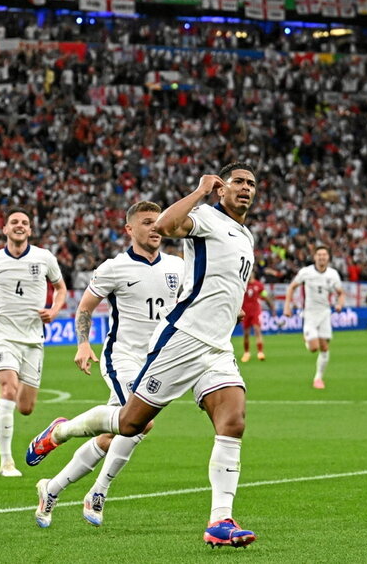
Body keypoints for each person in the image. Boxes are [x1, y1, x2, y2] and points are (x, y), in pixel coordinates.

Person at [26, 162, 259, 548]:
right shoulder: (204, 217)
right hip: (180, 340)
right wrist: (200, 191)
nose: (246, 188)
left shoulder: (243, 234)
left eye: (251, 184)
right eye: (238, 182)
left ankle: (220, 521)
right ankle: (61, 431)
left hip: (217, 346)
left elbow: (204, 280)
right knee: (132, 423)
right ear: (222, 188)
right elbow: (168, 226)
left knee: (233, 421)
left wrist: (226, 307)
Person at [34, 201, 184, 528]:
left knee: (113, 435)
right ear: (130, 229)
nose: (155, 227)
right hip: (122, 358)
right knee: (141, 422)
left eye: (158, 222)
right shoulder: (113, 268)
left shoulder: (176, 266)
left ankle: (52, 488)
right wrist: (83, 343)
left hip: (158, 362)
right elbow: (85, 308)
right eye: (146, 222)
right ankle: (98, 491)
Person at [0, 207, 67, 477]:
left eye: (24, 222)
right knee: (8, 390)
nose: (19, 225)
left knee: (25, 408)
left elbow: (60, 288)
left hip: (33, 340)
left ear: (30, 230)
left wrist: (54, 311)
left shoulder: (44, 257)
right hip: (4, 336)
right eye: (14, 222)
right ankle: (6, 462)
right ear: (5, 229)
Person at [284, 246, 345, 390]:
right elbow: (292, 287)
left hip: (324, 313)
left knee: (324, 347)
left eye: (324, 255)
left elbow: (341, 293)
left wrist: (339, 304)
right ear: (315, 257)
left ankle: (318, 378)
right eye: (319, 255)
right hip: (310, 313)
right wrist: (287, 306)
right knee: (313, 348)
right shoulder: (306, 272)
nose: (322, 257)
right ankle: (308, 338)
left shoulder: (333, 274)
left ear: (328, 257)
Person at [240, 269, 276, 362]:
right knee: (246, 333)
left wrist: (271, 306)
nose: (249, 274)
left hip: (255, 311)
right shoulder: (243, 284)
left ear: (253, 274)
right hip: (245, 312)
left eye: (251, 272)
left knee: (257, 330)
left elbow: (265, 296)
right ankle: (246, 353)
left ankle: (260, 352)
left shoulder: (258, 285)